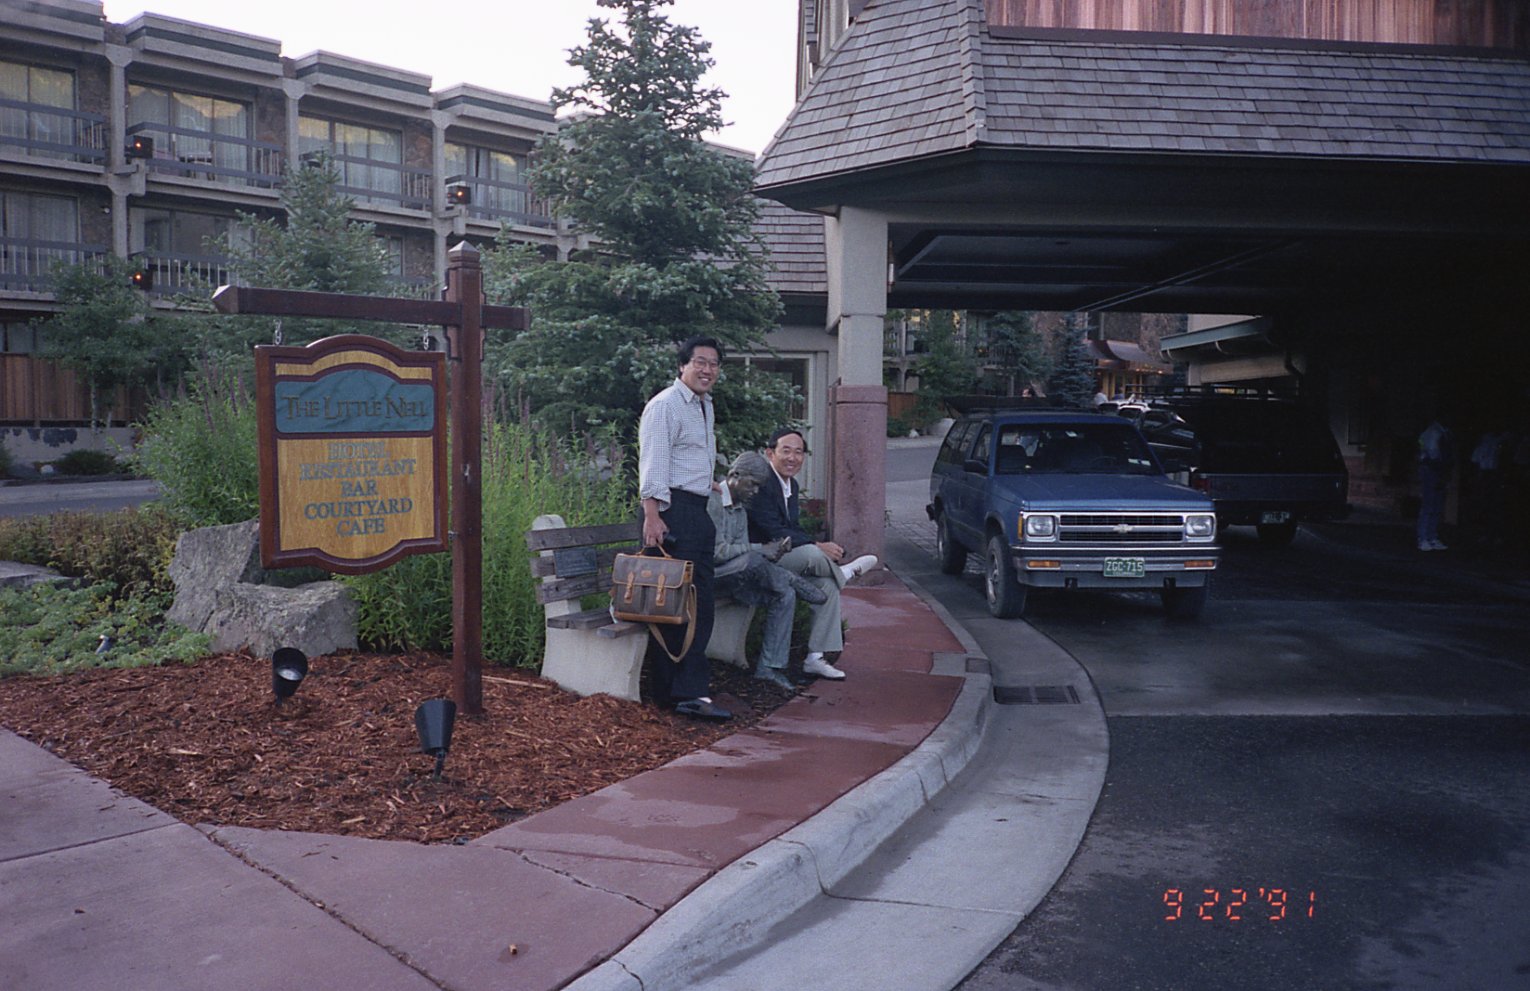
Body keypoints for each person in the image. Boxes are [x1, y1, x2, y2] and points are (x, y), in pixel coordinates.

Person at [638, 336, 729, 720]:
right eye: (699, 362)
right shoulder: (666, 406)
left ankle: (681, 691)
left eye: (713, 364)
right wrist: (653, 516)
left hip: (697, 510)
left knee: (698, 604)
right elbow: (654, 464)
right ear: (682, 366)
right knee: (678, 605)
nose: (707, 369)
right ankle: (681, 694)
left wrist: (712, 485)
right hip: (674, 514)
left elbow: (686, 462)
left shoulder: (704, 406)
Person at [746, 428, 878, 681]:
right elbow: (772, 530)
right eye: (786, 451)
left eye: (798, 452)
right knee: (811, 554)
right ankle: (844, 572)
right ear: (769, 453)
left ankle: (815, 658)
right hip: (760, 557)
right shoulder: (762, 484)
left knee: (827, 586)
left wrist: (815, 545)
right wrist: (817, 545)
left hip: (784, 557)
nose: (792, 458)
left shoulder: (791, 486)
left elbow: (792, 528)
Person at [708, 451, 828, 690]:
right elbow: (716, 553)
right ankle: (790, 578)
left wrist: (771, 552)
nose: (754, 492)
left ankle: (769, 668)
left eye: (758, 488)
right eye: (752, 485)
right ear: (735, 475)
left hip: (737, 579)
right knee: (754, 558)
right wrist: (761, 549)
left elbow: (742, 553)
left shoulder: (741, 508)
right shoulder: (713, 500)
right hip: (709, 579)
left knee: (784, 594)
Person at [1416, 414, 1455, 552]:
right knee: (1429, 504)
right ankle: (1423, 538)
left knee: (1437, 505)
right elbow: (1431, 454)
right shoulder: (1434, 432)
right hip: (1432, 469)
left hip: (1438, 470)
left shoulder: (1444, 432)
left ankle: (1431, 537)